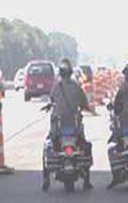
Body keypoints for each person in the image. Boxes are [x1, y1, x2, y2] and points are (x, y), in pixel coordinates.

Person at [44, 58, 93, 190]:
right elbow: (84, 103)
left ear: (60, 73)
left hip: (58, 129)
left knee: (48, 146)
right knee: (85, 147)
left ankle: (46, 179)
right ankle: (87, 181)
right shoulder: (77, 87)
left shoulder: (55, 87)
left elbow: (51, 100)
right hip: (75, 128)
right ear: (70, 72)